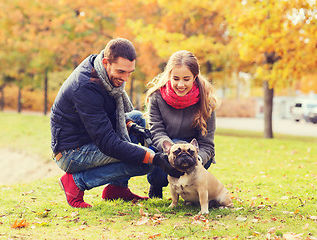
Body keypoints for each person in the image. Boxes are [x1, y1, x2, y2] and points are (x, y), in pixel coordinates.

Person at [50, 38, 183, 208]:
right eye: (121, 72)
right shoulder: (86, 87)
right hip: (70, 152)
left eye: (130, 72)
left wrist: (131, 126)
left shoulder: (101, 71)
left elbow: (110, 115)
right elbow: (108, 143)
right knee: (144, 164)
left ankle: (117, 189)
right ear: (106, 62)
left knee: (136, 117)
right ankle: (76, 182)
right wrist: (155, 158)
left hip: (89, 138)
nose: (125, 78)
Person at [145, 50, 219, 198]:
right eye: (176, 78)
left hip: (194, 154)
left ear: (194, 77)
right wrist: (171, 150)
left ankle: (192, 192)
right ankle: (156, 184)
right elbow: (157, 132)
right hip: (166, 149)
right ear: (169, 76)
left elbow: (207, 143)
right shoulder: (156, 98)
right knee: (158, 172)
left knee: (195, 170)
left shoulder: (207, 102)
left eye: (186, 79)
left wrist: (197, 158)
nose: (180, 84)